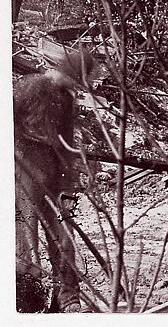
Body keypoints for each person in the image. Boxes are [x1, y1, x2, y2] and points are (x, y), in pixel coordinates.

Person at [14, 50, 93, 312]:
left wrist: (69, 186)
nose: (78, 86)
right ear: (68, 73)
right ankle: (26, 299)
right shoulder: (31, 87)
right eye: (77, 79)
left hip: (53, 175)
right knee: (26, 238)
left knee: (64, 235)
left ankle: (68, 297)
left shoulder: (67, 98)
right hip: (24, 169)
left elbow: (68, 145)